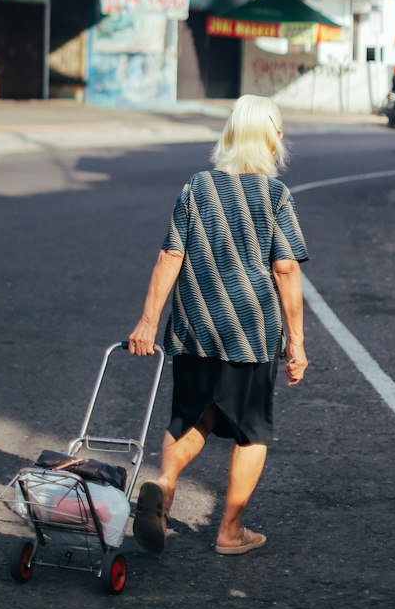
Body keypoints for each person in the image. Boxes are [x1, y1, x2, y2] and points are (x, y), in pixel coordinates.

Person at [126, 94, 308, 557]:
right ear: (274, 140)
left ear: (228, 135)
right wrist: (297, 343)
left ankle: (164, 483)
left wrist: (148, 322)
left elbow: (170, 254)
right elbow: (286, 269)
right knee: (251, 431)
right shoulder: (275, 196)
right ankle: (229, 531)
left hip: (193, 327)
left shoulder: (197, 187)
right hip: (249, 333)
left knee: (194, 415)